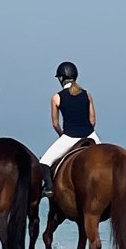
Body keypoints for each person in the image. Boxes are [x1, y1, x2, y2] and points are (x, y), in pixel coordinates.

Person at [38, 62, 97, 197]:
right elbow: (93, 120)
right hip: (91, 135)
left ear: (61, 79)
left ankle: (49, 188)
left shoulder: (57, 97)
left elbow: (55, 123)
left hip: (70, 137)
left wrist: (62, 135)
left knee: (44, 162)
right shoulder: (87, 94)